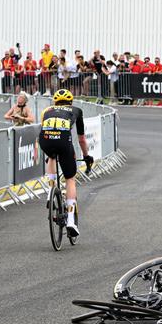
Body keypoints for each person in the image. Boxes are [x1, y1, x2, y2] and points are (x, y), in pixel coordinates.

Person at [39, 89, 93, 237]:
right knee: (70, 179)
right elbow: (81, 139)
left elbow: (45, 128)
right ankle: (70, 220)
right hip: (63, 141)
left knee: (51, 156)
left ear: (55, 102)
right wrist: (87, 156)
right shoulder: (77, 110)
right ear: (71, 102)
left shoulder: (47, 110)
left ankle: (50, 191)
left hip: (45, 140)